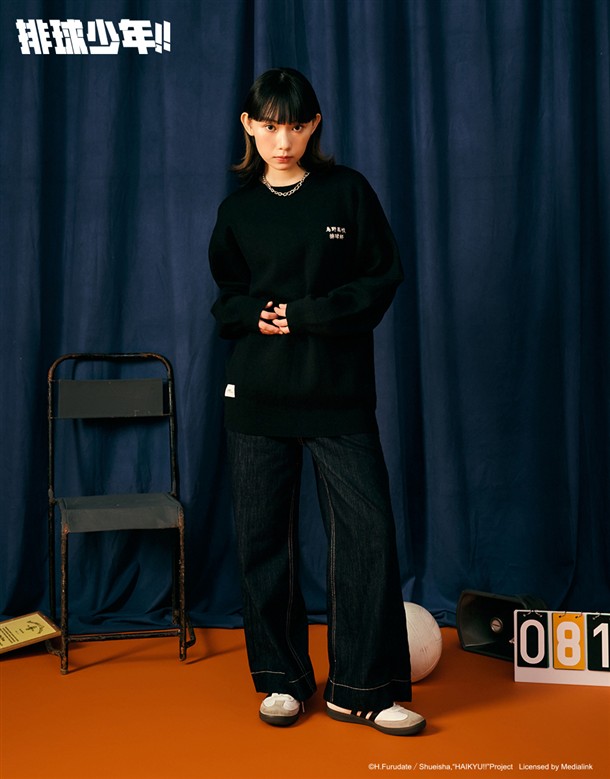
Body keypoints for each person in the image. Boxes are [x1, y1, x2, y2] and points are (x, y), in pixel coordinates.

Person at [208, 67, 426, 737]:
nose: (284, 141)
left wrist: (305, 315)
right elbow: (227, 300)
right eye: (271, 126)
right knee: (263, 541)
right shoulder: (238, 210)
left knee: (366, 535)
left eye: (296, 126)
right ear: (249, 126)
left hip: (336, 391)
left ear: (315, 125)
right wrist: (256, 314)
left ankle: (364, 688)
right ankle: (281, 679)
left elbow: (381, 278)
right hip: (257, 393)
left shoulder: (346, 192)